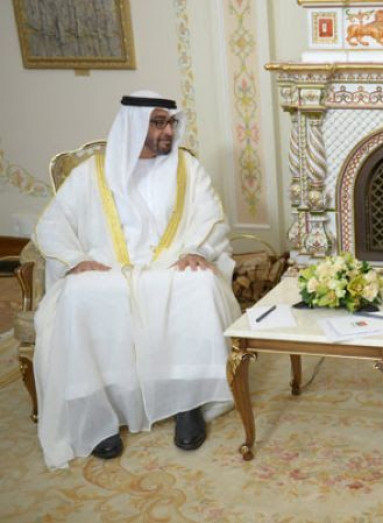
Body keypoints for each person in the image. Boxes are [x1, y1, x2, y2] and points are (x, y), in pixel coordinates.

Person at [33, 90, 241, 469]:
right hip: (107, 267)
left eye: (171, 123)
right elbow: (52, 224)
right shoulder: (92, 173)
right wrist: (76, 260)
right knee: (80, 294)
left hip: (169, 263)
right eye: (158, 123)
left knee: (199, 284)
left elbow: (211, 216)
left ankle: (189, 402)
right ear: (133, 126)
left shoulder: (186, 168)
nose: (168, 131)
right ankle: (98, 413)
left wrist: (197, 249)